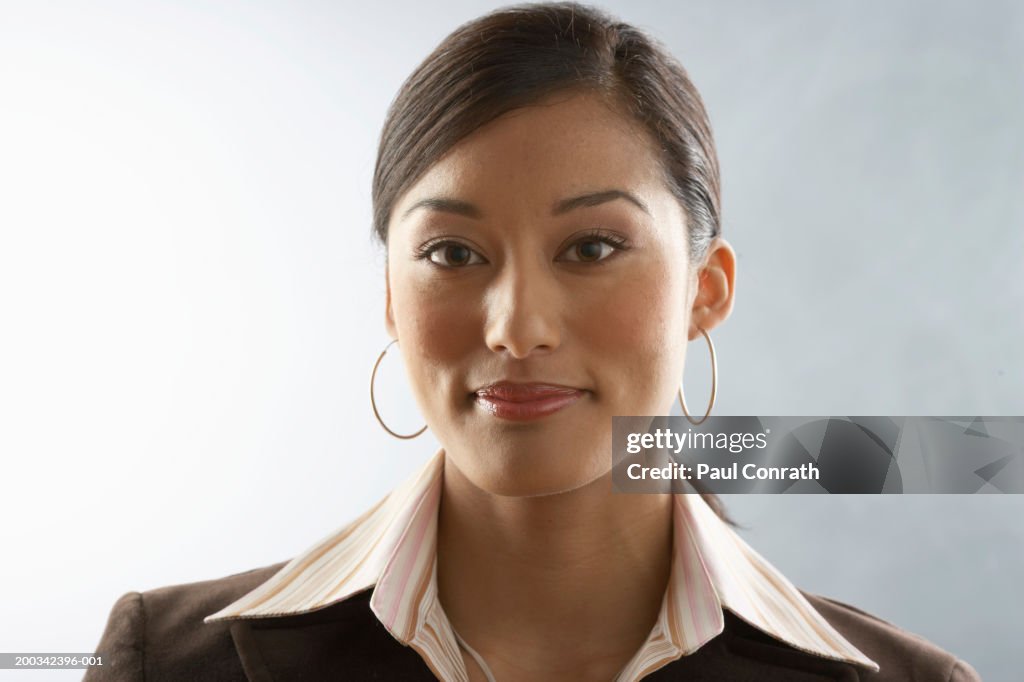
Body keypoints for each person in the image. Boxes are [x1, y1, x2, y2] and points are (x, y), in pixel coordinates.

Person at [86, 3, 982, 680]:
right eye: (452, 253)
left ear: (706, 291)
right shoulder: (165, 663)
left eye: (592, 248)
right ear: (391, 299)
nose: (517, 328)